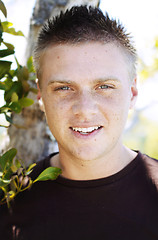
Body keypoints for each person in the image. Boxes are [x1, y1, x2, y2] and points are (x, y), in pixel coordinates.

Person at [0, 5, 158, 240]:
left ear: (133, 93)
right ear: (41, 97)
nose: (84, 110)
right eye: (64, 88)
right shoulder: (9, 203)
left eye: (104, 86)